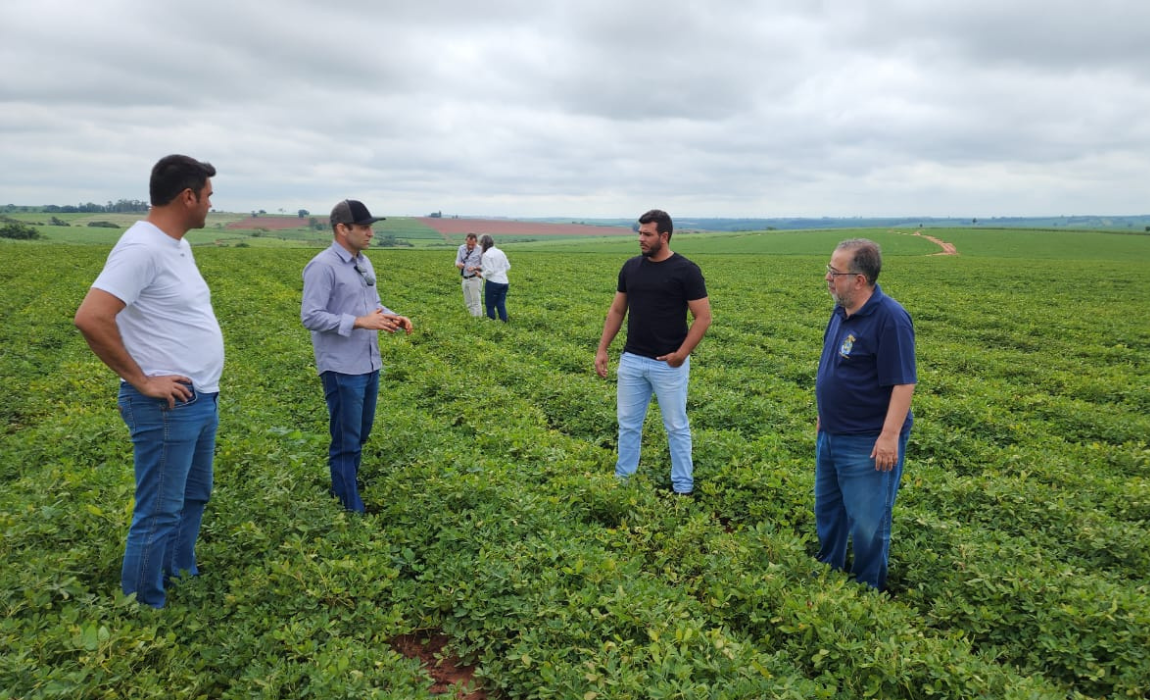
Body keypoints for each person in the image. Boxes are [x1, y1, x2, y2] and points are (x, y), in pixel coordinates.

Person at [74, 154, 223, 608]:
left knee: (193, 496)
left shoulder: (175, 245)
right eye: (209, 195)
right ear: (188, 197)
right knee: (159, 509)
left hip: (199, 397)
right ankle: (144, 606)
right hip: (167, 406)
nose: (211, 204)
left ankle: (180, 574)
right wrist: (142, 381)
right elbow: (91, 317)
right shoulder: (142, 248)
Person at [814, 238, 916, 591]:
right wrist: (824, 414)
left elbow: (903, 383)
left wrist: (889, 437)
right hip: (832, 433)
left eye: (835, 272)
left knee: (867, 522)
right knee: (829, 510)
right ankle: (828, 570)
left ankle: (867, 588)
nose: (828, 277)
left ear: (859, 280)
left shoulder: (890, 319)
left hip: (867, 440)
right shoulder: (841, 311)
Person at [301, 199, 413, 513]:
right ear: (342, 228)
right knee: (346, 438)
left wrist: (393, 316)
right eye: (363, 227)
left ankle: (346, 484)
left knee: (360, 432)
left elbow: (372, 304)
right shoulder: (323, 266)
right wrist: (359, 322)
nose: (370, 233)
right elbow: (310, 316)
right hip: (342, 366)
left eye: (370, 227)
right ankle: (349, 505)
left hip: (368, 361)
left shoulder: (363, 262)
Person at [595, 209, 711, 496]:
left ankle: (683, 486)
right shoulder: (631, 268)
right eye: (640, 233)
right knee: (628, 425)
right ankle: (624, 480)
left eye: (647, 234)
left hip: (668, 364)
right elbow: (617, 310)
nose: (641, 238)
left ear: (664, 236)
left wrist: (681, 354)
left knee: (676, 426)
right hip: (632, 360)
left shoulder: (686, 271)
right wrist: (602, 349)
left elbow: (703, 317)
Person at [479, 234, 511, 322]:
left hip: (493, 283)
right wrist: (500, 271)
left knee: (490, 305)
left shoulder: (486, 255)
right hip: (504, 282)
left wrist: (481, 275)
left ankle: (492, 323)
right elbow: (508, 266)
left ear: (483, 244)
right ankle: (504, 322)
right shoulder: (500, 252)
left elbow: (490, 270)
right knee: (501, 304)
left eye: (480, 244)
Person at [455, 233, 483, 317]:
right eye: (468, 244)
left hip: (475, 278)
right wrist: (458, 265)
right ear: (465, 241)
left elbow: (485, 265)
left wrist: (475, 268)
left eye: (472, 244)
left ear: (476, 242)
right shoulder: (461, 248)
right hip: (464, 278)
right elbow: (457, 261)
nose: (470, 246)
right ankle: (473, 319)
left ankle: (478, 320)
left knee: (476, 302)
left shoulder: (480, 250)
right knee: (468, 302)